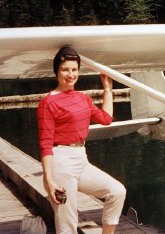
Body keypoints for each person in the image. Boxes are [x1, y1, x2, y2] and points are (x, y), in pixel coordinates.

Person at [37, 46, 126, 234]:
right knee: (67, 225)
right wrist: (49, 180)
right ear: (56, 72)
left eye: (74, 69)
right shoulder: (48, 102)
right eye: (65, 69)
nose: (70, 74)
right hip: (60, 163)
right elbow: (45, 144)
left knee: (117, 191)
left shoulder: (83, 98)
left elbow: (106, 119)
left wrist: (108, 89)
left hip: (81, 159)